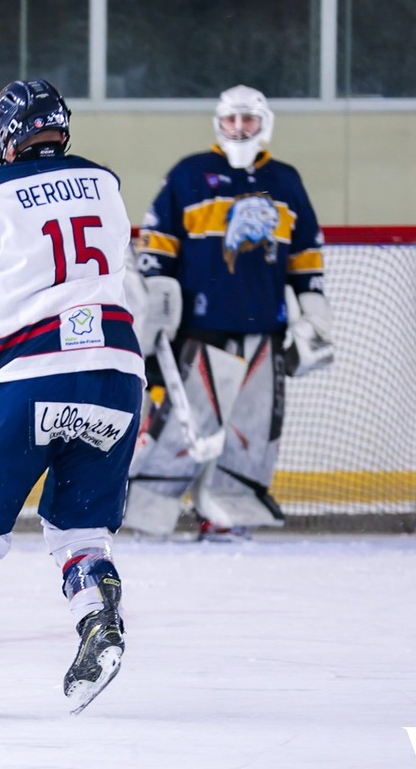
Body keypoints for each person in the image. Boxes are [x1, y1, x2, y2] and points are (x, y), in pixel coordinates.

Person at [0, 78, 143, 718]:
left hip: (31, 378)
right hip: (116, 375)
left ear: (4, 138)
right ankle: (100, 624)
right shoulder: (106, 184)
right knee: (81, 527)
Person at [123, 84, 334, 540]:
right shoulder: (190, 174)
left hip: (267, 331)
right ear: (218, 123)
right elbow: (157, 245)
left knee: (253, 432)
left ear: (265, 123)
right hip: (202, 330)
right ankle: (145, 511)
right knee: (183, 427)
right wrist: (157, 303)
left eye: (248, 119)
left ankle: (229, 513)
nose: (239, 128)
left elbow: (306, 255)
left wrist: (314, 311)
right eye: (230, 120)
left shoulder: (285, 181)